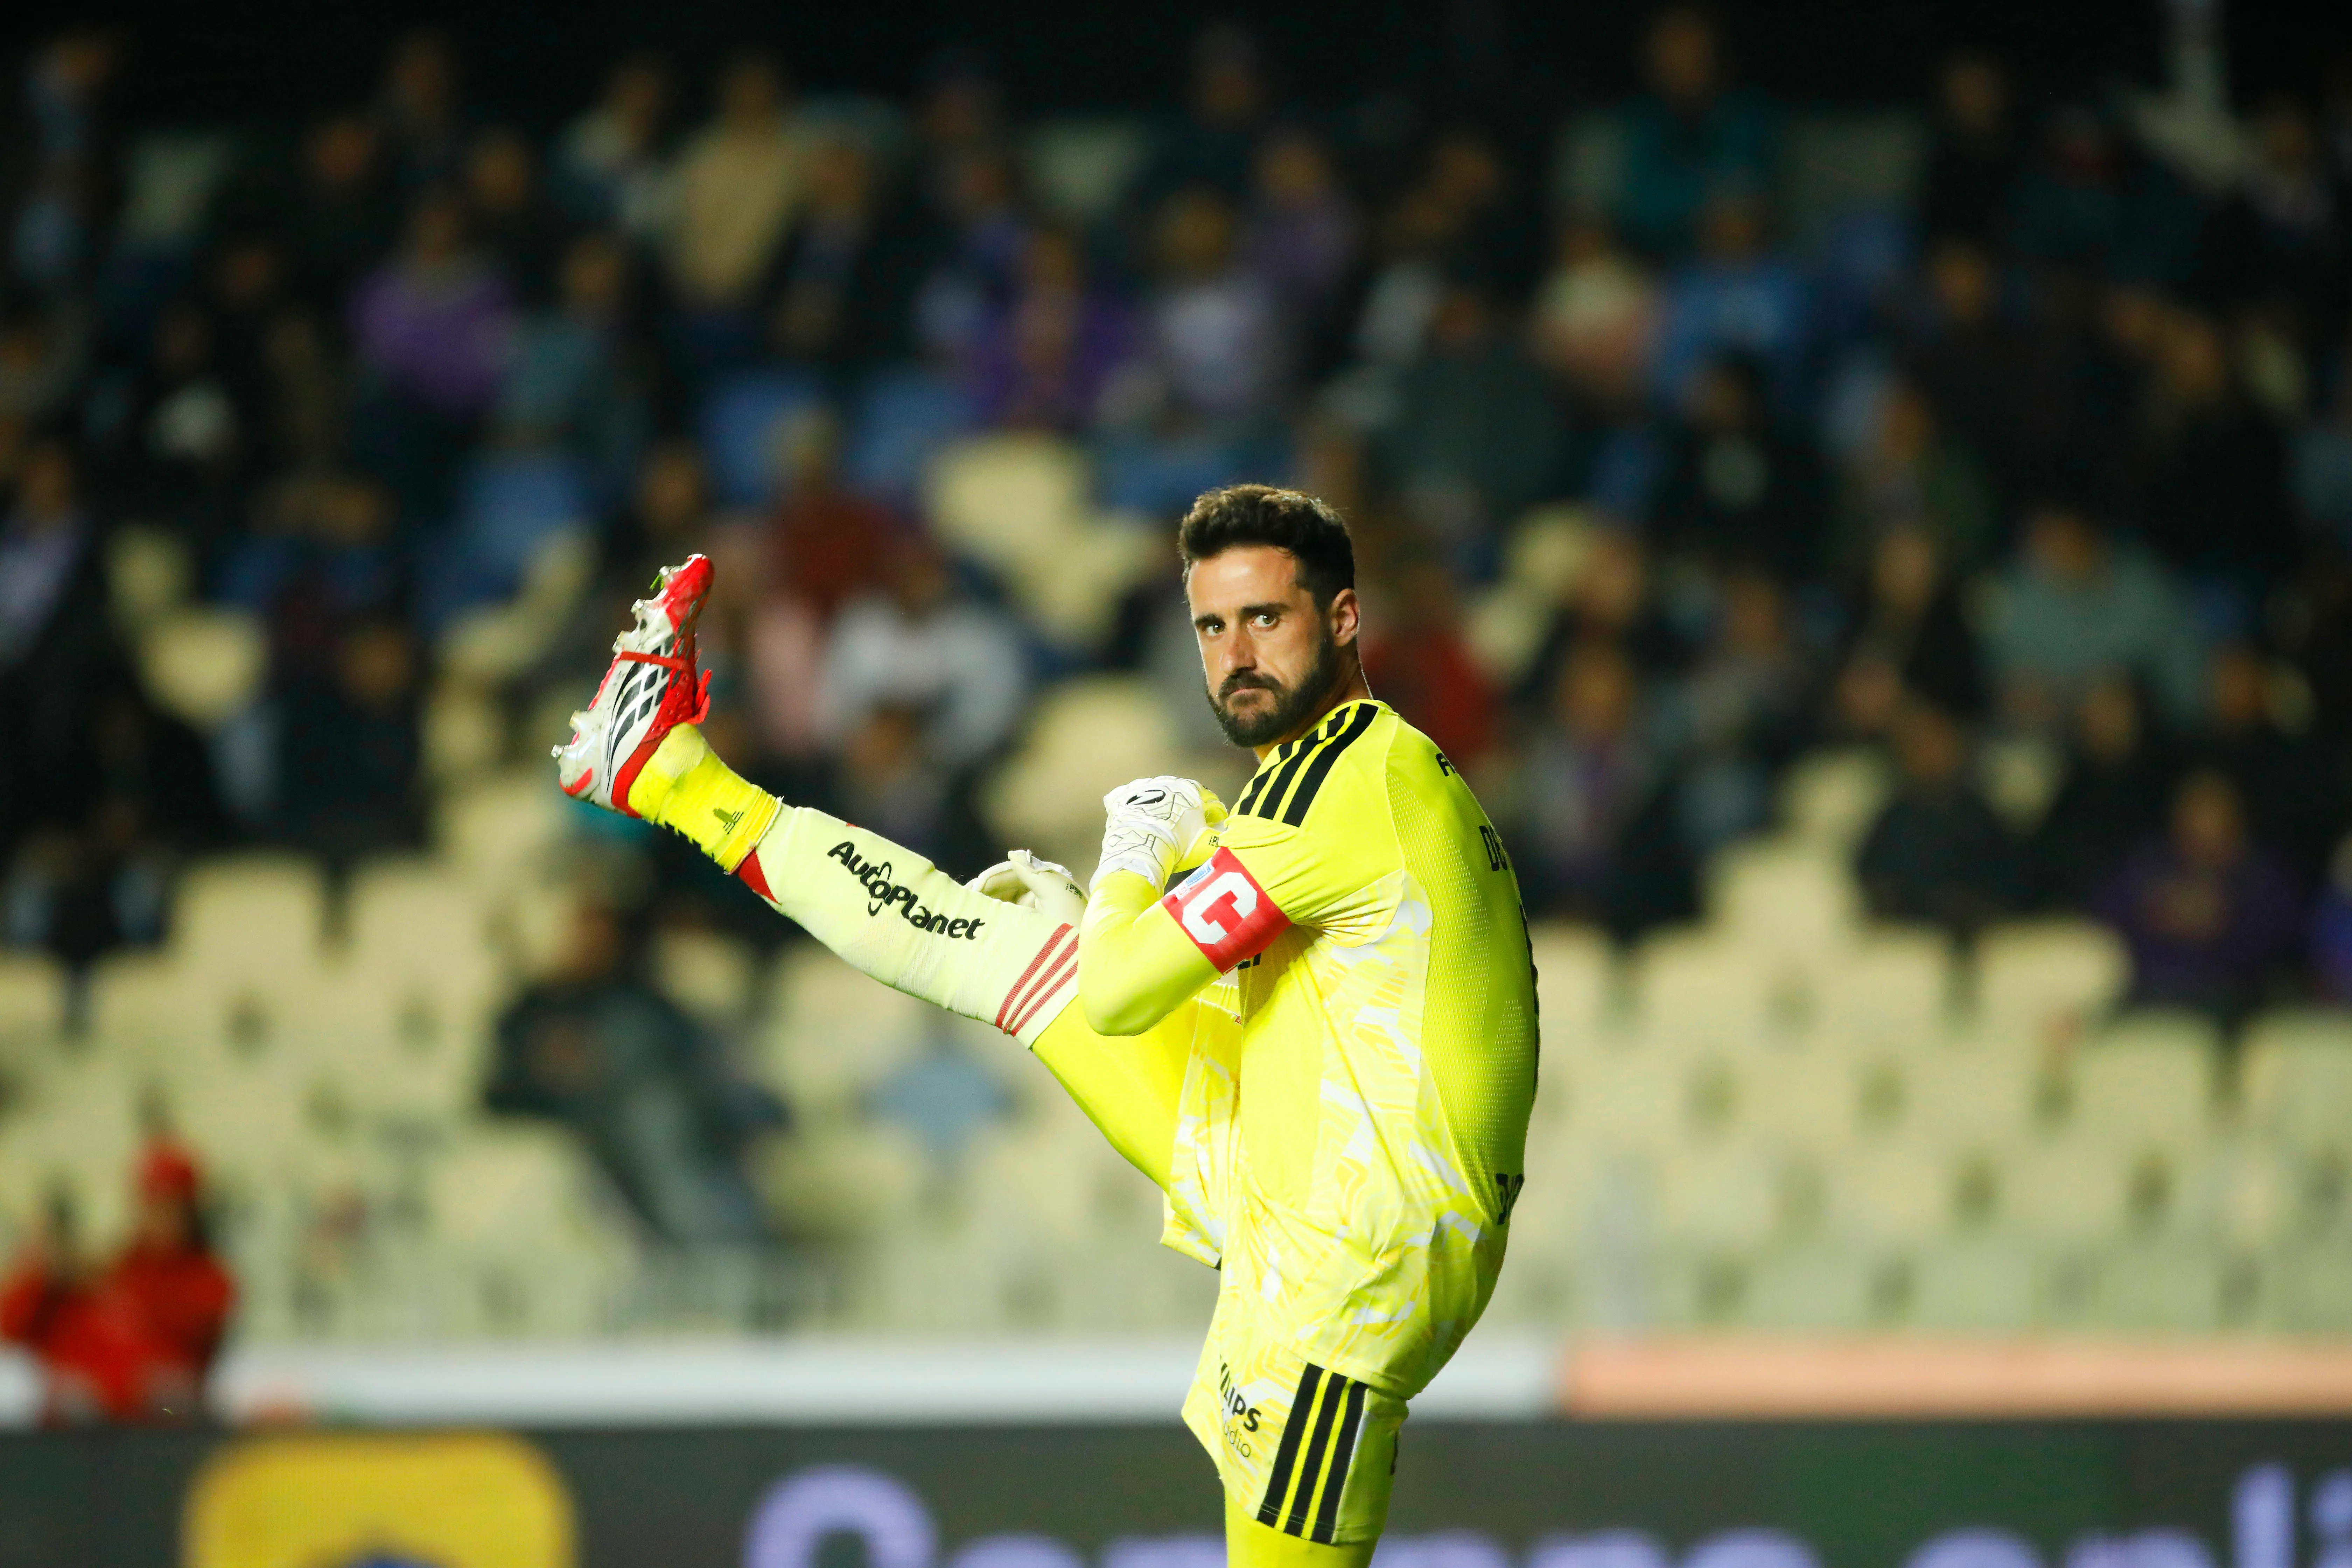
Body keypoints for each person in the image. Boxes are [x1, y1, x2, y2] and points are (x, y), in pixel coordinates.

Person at [554, 484, 1535, 1563]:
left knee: (1063, 964)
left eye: (1266, 617)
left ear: (1342, 620)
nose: (1235, 653)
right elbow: (1337, 978)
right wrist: (1151, 890)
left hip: (1345, 1269)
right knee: (1008, 952)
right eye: (1212, 625)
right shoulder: (1354, 777)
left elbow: (1122, 990)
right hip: (1297, 1185)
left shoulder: (1332, 788)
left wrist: (1132, 849)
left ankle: (664, 774)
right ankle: (666, 773)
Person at [0, 1141, 235, 1424]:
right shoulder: (105, 1272)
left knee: (166, 1397)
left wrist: (96, 1276)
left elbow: (190, 1327)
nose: (164, 1218)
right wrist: (41, 1272)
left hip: (158, 1432)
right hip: (76, 1442)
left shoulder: (205, 1278)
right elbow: (11, 1327)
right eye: (154, 1204)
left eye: (175, 1206)